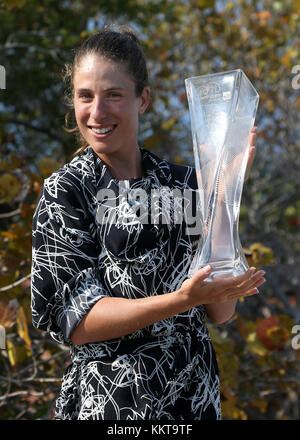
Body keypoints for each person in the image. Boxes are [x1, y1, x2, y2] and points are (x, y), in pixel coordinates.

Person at [30, 26, 265, 420]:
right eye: (85, 96)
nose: (97, 112)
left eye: (114, 95)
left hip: (194, 401)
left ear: (143, 99)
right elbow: (80, 321)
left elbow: (220, 312)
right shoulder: (65, 192)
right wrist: (181, 301)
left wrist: (225, 191)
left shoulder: (187, 184)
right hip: (113, 405)